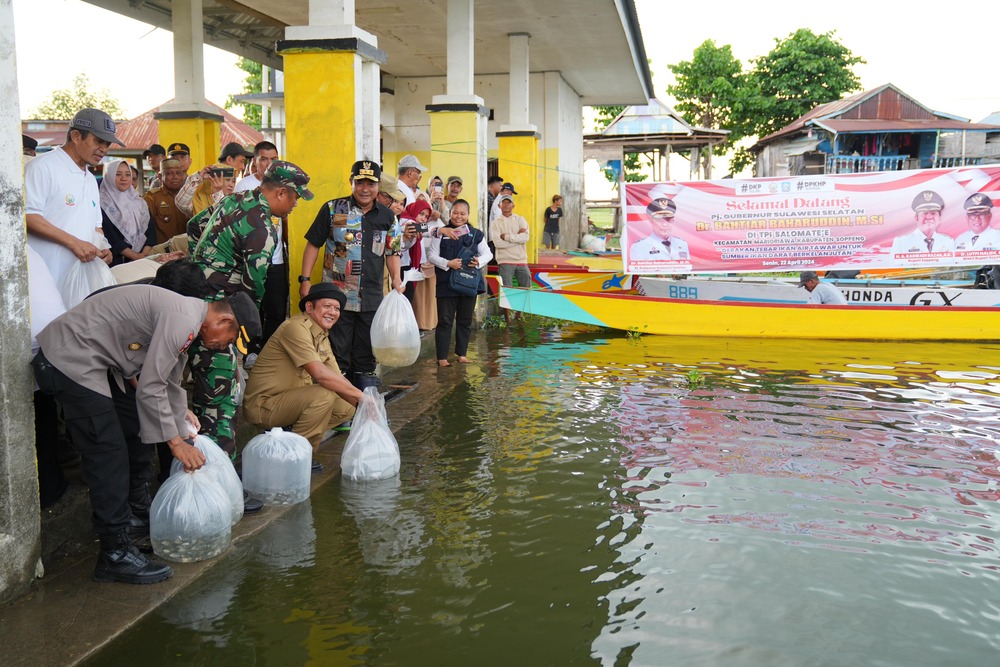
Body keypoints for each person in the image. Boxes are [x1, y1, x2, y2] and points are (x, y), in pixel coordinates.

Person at [32, 285, 259, 584]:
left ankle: (135, 518)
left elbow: (166, 381)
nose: (224, 344)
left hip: (95, 360)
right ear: (225, 322)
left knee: (136, 427)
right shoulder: (182, 319)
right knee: (107, 453)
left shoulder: (189, 316)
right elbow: (152, 388)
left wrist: (181, 420)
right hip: (70, 357)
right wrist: (176, 444)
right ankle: (114, 553)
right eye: (230, 339)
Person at [189, 160, 312, 459]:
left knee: (204, 388)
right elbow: (251, 289)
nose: (296, 204)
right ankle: (222, 474)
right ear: (282, 192)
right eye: (296, 197)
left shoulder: (235, 199)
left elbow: (195, 226)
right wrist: (244, 332)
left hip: (192, 303)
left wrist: (202, 267)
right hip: (218, 319)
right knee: (221, 398)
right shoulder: (263, 229)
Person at [300, 159, 412, 389]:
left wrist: (396, 280)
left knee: (365, 357)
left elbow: (392, 251)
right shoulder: (333, 209)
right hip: (336, 297)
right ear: (351, 182)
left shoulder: (387, 217)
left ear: (378, 186)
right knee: (336, 354)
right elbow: (313, 244)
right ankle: (337, 411)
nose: (364, 188)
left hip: (371, 297)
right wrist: (305, 280)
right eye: (359, 182)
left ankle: (362, 407)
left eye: (370, 183)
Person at [243, 284, 362, 470]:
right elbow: (320, 375)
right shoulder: (295, 328)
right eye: (327, 306)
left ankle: (289, 434)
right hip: (264, 406)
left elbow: (337, 377)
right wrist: (363, 398)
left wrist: (364, 407)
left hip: (288, 403)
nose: (333, 312)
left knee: (347, 406)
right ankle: (296, 456)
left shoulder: (321, 334)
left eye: (337, 308)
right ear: (309, 307)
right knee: (324, 395)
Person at [25, 107, 119, 287]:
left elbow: (96, 226)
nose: (104, 149)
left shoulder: (91, 179)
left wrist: (102, 246)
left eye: (107, 144)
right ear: (76, 136)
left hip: (80, 280)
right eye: (99, 141)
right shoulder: (43, 167)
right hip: (47, 277)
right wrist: (73, 243)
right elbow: (28, 216)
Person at [235, 141, 287, 369]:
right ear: (254, 161)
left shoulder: (283, 185)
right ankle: (251, 350)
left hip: (276, 259)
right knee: (252, 306)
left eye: (273, 159)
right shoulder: (243, 186)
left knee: (276, 308)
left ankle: (270, 351)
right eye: (264, 159)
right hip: (250, 260)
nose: (268, 164)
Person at [427, 199, 492, 366]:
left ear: (468, 215)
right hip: (446, 283)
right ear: (450, 213)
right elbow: (432, 256)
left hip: (469, 284)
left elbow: (488, 254)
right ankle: (442, 357)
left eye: (463, 213)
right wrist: (448, 263)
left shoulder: (476, 234)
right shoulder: (441, 232)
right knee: (445, 321)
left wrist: (478, 261)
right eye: (455, 212)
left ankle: (461, 354)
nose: (458, 216)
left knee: (465, 320)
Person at [100, 160, 156, 266]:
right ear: (109, 177)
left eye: (127, 174)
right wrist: (135, 256)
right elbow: (110, 235)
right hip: (115, 262)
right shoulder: (102, 202)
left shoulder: (139, 201)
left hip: (143, 260)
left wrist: (144, 253)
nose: (124, 178)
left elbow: (150, 229)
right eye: (118, 174)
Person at [176, 142, 253, 218]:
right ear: (229, 159)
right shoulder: (202, 182)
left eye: (233, 181)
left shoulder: (234, 194)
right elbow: (182, 204)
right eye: (242, 161)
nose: (243, 167)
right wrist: (198, 177)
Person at [890, 190, 955, 254]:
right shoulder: (901, 242)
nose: (929, 217)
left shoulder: (949, 242)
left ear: (939, 218)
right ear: (916, 218)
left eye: (933, 213)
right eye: (925, 213)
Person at [142, 157, 188, 244]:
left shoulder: (190, 196)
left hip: (187, 250)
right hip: (162, 253)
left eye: (179, 173)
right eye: (169, 174)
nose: (175, 177)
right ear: (160, 177)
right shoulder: (151, 198)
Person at [491, 194, 531, 289]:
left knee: (527, 291)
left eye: (508, 202)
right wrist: (517, 239)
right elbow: (497, 243)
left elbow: (525, 237)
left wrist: (507, 237)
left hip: (522, 261)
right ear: (499, 205)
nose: (506, 204)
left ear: (513, 206)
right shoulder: (495, 223)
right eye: (503, 202)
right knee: (506, 294)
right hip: (505, 262)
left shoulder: (520, 219)